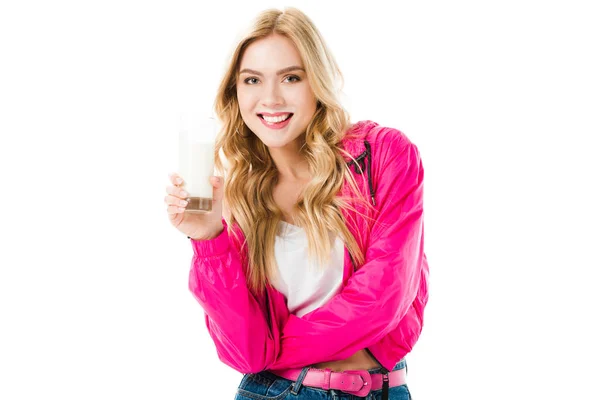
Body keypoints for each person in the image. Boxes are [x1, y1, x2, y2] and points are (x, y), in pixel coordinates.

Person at [164, 7, 428, 400]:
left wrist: (272, 351)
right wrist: (209, 239)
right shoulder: (236, 196)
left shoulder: (385, 155)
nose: (270, 98)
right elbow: (242, 347)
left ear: (316, 82)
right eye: (252, 80)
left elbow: (383, 299)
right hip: (270, 393)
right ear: (235, 92)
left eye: (291, 77)